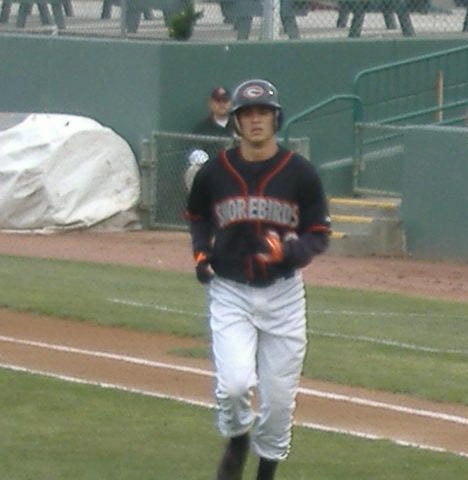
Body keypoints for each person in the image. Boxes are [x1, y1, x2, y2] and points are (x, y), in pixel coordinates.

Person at [185, 78, 331, 479]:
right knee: (233, 387)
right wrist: (201, 255)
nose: (255, 121)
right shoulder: (215, 173)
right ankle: (236, 439)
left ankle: (266, 472)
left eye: (263, 112)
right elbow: (197, 216)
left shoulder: (300, 173)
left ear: (276, 118)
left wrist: (291, 252)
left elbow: (319, 233)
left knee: (280, 402)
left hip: (284, 296)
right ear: (235, 122)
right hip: (230, 291)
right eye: (247, 114)